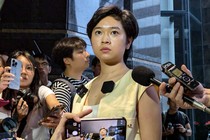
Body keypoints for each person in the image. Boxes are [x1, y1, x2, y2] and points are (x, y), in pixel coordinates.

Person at [72, 5, 161, 140]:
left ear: (128, 41)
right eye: (98, 33)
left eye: (114, 32)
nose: (105, 39)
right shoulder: (83, 90)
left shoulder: (142, 86)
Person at [0, 50, 61, 140]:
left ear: (34, 72)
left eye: (29, 68)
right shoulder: (1, 93)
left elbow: (54, 103)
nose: (24, 72)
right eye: (19, 67)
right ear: (9, 68)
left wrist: (58, 114)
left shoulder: (41, 90)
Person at [51, 36, 90, 113]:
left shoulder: (87, 81)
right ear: (67, 60)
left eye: (85, 50)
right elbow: (61, 119)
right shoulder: (62, 87)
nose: (87, 54)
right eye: (81, 52)